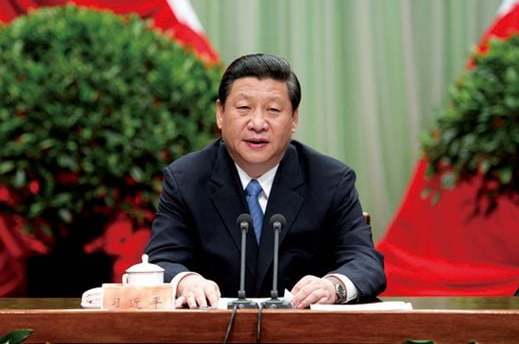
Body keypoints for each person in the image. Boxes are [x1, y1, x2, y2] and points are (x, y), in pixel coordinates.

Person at [144, 53, 386, 309]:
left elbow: (365, 261)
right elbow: (161, 260)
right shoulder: (185, 179)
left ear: (294, 119)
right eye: (244, 108)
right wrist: (187, 281)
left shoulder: (330, 180)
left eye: (273, 110)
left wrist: (333, 286)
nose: (258, 123)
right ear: (220, 114)